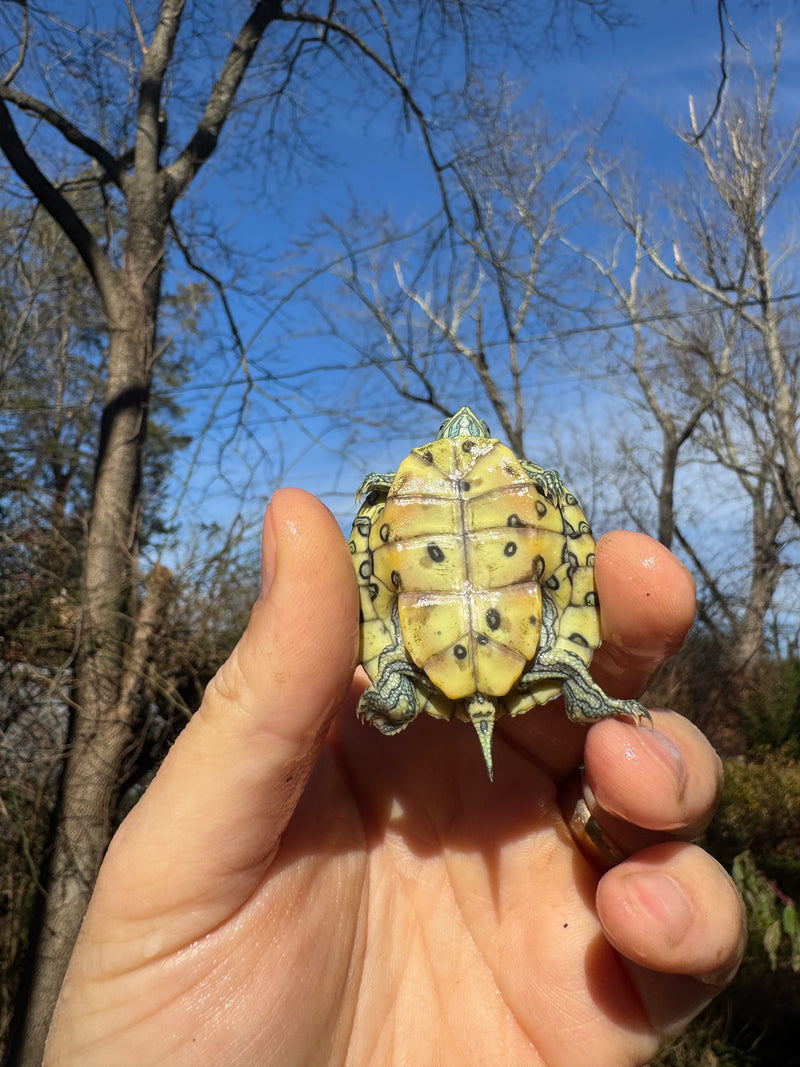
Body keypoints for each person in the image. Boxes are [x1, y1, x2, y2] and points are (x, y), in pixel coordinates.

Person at [44, 489, 746, 1067]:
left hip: (440, 649)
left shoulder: (408, 510)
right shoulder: (506, 509)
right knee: (579, 682)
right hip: (508, 645)